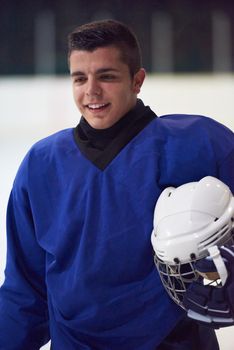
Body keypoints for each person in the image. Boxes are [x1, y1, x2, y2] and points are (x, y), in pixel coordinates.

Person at [0, 19, 233, 350]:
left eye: (106, 76)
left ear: (137, 81)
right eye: (80, 78)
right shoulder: (41, 165)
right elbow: (25, 290)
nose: (91, 91)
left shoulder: (199, 145)